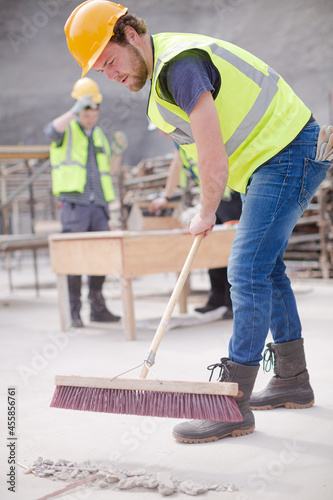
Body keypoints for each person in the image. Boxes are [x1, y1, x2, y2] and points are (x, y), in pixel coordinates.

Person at [63, 0, 331, 443]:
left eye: (109, 61)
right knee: (267, 267)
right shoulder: (159, 83)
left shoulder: (179, 65)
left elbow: (210, 148)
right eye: (100, 70)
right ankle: (291, 379)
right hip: (273, 158)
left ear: (131, 35)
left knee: (245, 270)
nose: (109, 75)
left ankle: (231, 404)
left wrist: (206, 210)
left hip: (287, 152)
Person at [44, 76, 127, 328]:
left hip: (98, 206)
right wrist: (74, 110)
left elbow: (109, 170)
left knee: (100, 258)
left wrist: (120, 151)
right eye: (86, 109)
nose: (90, 114)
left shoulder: (100, 135)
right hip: (74, 204)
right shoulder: (66, 129)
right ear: (79, 107)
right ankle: (74, 312)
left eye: (94, 109)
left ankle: (98, 309)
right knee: (74, 258)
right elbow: (50, 131)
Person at [149, 138, 242, 319]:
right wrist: (166, 197)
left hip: (231, 195)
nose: (161, 131)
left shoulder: (192, 127)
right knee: (212, 248)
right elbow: (176, 166)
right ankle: (217, 298)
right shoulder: (177, 140)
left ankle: (234, 301)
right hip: (213, 197)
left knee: (231, 250)